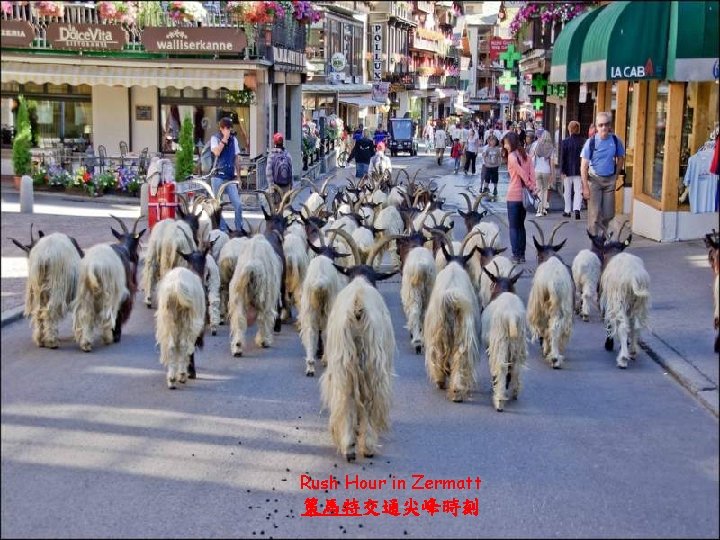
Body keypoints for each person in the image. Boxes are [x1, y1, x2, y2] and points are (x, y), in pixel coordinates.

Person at [581, 112, 626, 236]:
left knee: (609, 214)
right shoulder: (590, 142)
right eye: (601, 125)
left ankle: (603, 238)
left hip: (609, 181)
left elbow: (621, 158)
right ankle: (594, 242)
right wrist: (585, 187)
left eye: (606, 124)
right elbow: (583, 166)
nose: (604, 128)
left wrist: (616, 175)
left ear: (610, 125)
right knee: (594, 215)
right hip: (594, 180)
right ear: (596, 126)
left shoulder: (616, 140)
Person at [503, 131, 538, 264]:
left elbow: (521, 173)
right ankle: (522, 255)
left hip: (513, 196)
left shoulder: (512, 156)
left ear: (511, 142)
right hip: (524, 196)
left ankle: (516, 255)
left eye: (506, 143)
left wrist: (529, 184)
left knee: (513, 227)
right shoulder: (527, 156)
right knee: (521, 226)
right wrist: (532, 187)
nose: (505, 146)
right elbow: (532, 173)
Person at [210, 117, 243, 232]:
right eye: (226, 128)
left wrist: (238, 177)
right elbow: (217, 152)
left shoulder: (234, 140)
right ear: (221, 129)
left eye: (229, 128)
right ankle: (223, 229)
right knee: (217, 206)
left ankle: (239, 228)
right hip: (217, 176)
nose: (228, 130)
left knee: (238, 204)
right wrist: (224, 139)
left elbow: (236, 159)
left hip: (230, 177)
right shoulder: (215, 138)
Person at [559, 120, 585, 220]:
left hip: (567, 170)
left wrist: (562, 170)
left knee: (567, 191)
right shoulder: (583, 141)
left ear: (569, 129)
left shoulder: (565, 142)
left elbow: (563, 158)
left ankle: (567, 210)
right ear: (578, 130)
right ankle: (577, 210)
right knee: (578, 190)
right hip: (579, 170)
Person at [529, 129, 556, 217]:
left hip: (537, 170)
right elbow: (552, 162)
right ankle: (544, 209)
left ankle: (539, 210)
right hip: (546, 171)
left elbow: (531, 157)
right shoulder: (551, 147)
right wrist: (553, 174)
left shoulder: (536, 145)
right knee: (545, 190)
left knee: (539, 190)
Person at [266, 132, 294, 206]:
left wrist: (271, 187)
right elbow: (291, 171)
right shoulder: (287, 154)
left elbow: (268, 172)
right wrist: (291, 186)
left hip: (276, 187)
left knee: (276, 209)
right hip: (286, 186)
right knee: (286, 208)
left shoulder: (272, 155)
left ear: (274, 142)